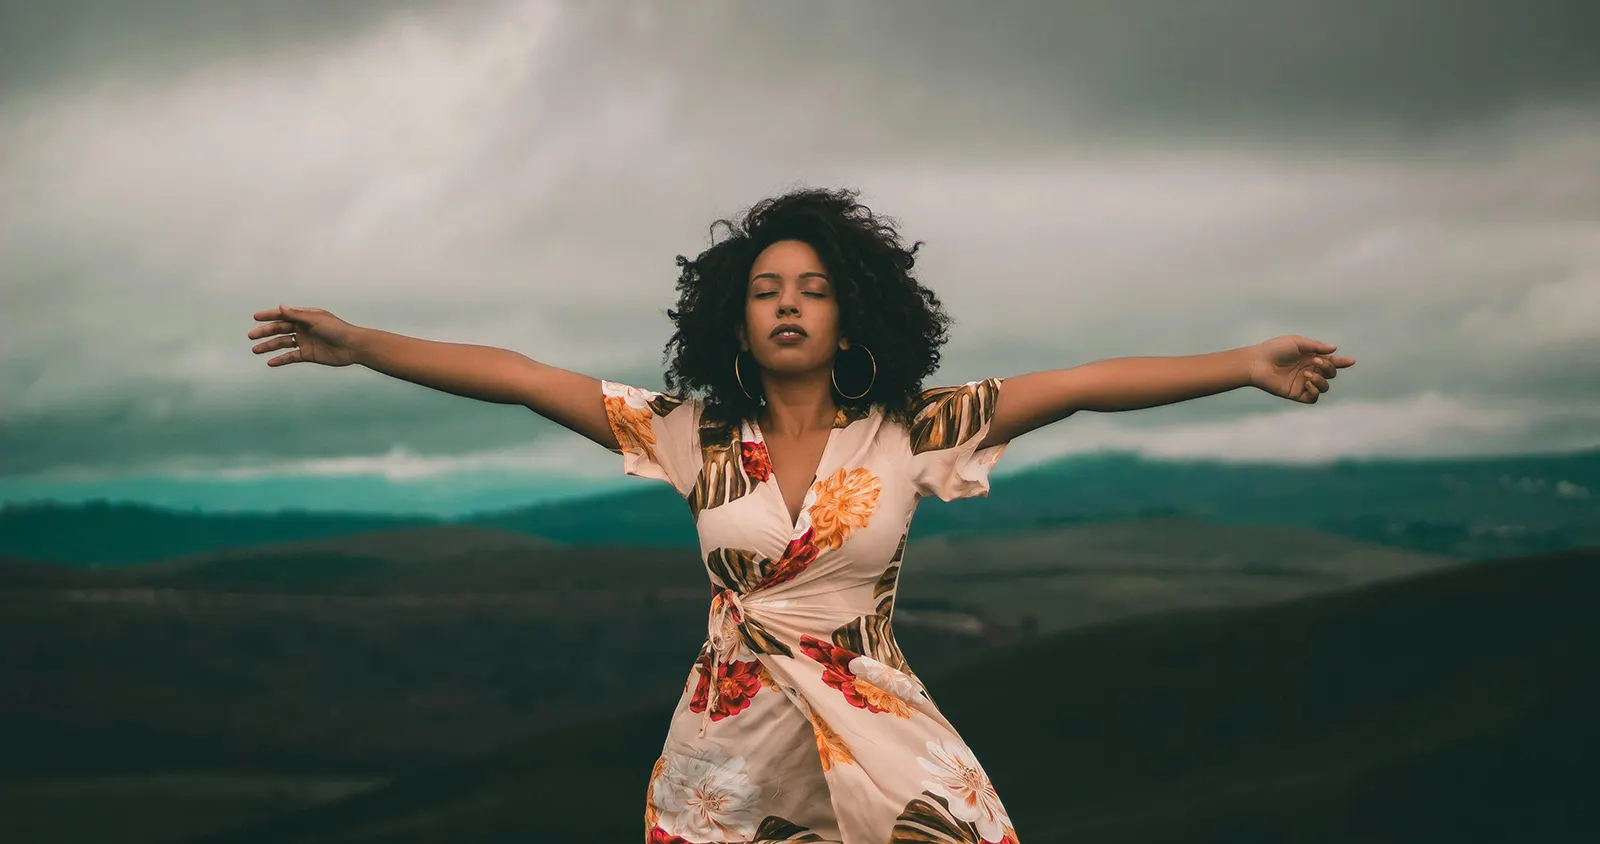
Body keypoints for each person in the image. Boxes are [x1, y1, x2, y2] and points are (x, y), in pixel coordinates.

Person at [247, 186, 1354, 843]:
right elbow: (526, 376)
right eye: (768, 287)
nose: (788, 301)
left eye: (813, 287)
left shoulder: (915, 427)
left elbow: (1083, 382)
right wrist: (364, 346)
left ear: (852, 311)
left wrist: (1245, 364)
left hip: (874, 711)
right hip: (730, 731)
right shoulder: (690, 432)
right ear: (736, 317)